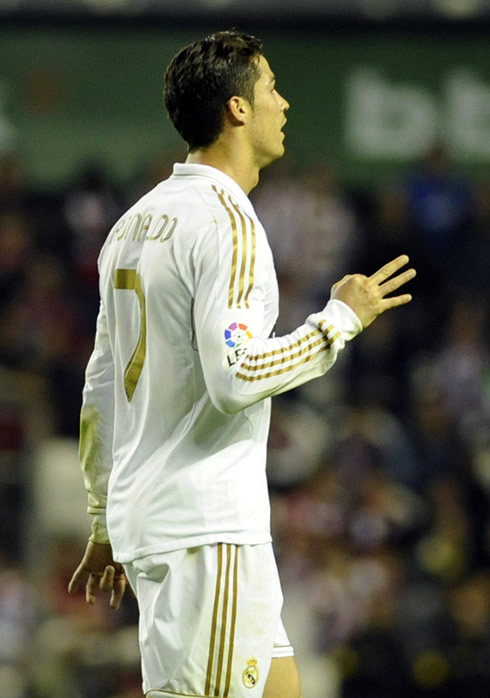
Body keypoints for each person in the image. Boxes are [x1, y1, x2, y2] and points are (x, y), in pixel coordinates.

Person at [68, 30, 415, 698]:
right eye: (273, 88)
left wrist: (105, 518)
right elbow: (236, 378)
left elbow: (100, 389)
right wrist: (341, 319)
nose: (284, 104)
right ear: (237, 109)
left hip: (177, 527)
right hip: (205, 531)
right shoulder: (229, 221)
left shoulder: (137, 223)